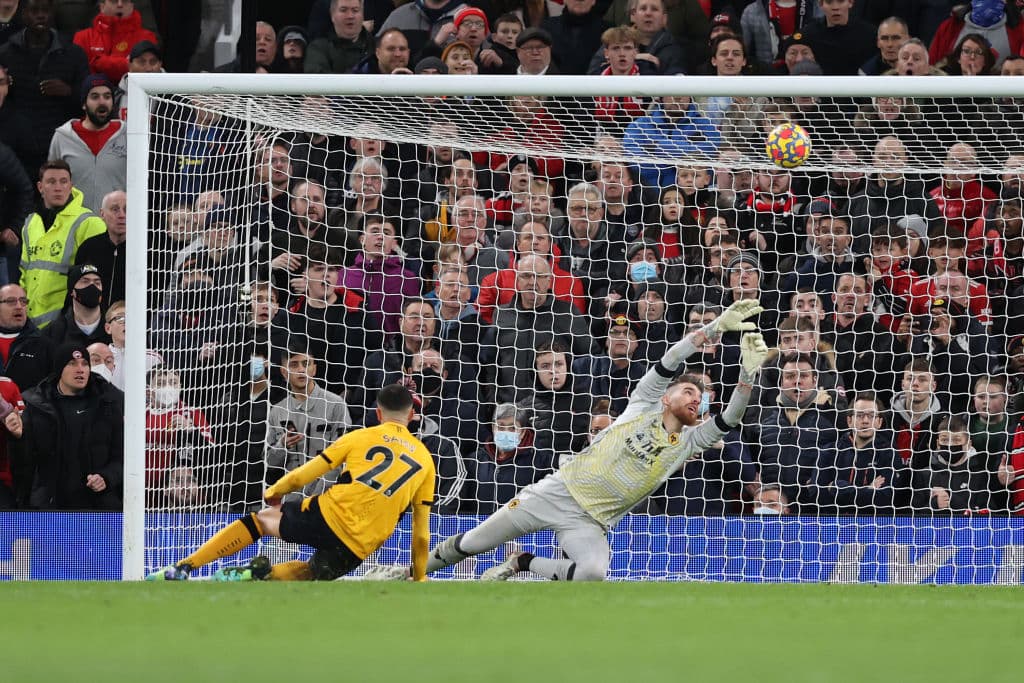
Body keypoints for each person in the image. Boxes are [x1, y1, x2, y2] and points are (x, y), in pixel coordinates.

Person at [368, 300, 767, 582]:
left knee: (592, 574)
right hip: (556, 493)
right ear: (667, 396)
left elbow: (731, 418)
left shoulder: (690, 441)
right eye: (686, 392)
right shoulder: (643, 403)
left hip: (591, 521)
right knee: (474, 541)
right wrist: (714, 328)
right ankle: (407, 572)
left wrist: (748, 374)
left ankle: (525, 563)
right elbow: (670, 359)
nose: (695, 399)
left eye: (699, 398)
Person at [148, 384, 435, 582]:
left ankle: (183, 567)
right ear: (411, 415)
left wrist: (275, 491)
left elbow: (304, 474)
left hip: (329, 515)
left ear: (378, 413)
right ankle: (254, 576)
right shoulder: (425, 459)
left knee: (261, 521)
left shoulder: (360, 437)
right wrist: (419, 576)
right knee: (312, 572)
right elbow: (421, 532)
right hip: (361, 545)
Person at [18, 341, 123, 509]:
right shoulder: (37, 406)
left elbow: (122, 457)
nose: (80, 369)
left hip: (98, 505)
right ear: (59, 369)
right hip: (50, 506)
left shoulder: (109, 404)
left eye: (85, 364)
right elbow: (25, 463)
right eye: (72, 364)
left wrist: (106, 477)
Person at [19, 159, 107, 329]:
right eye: (51, 182)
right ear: (40, 187)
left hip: (67, 324)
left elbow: (97, 278)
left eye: (63, 181)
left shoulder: (88, 222)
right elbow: (25, 271)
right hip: (31, 324)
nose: (58, 187)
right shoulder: (30, 223)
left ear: (71, 185)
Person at [265, 346, 352, 499]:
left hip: (329, 499)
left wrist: (316, 497)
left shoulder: (336, 404)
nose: (301, 369)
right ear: (284, 372)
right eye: (294, 365)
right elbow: (269, 462)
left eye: (306, 364)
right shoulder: (277, 411)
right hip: (291, 501)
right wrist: (282, 445)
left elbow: (343, 457)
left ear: (314, 369)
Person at [47, 73, 126, 213]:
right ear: (84, 103)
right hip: (75, 227)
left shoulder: (128, 135)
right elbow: (51, 184)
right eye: (95, 97)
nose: (102, 102)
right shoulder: (62, 137)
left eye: (107, 97)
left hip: (116, 229)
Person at [71, 0, 158, 83]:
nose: (120, 4)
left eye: (124, 1)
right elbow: (78, 75)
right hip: (94, 94)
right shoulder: (83, 37)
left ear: (132, 6)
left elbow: (145, 71)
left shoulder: (146, 37)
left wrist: (98, 63)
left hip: (134, 93)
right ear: (102, 6)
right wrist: (126, 64)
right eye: (114, 1)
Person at [75, 189, 126, 305]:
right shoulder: (88, 248)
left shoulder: (145, 252)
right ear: (102, 214)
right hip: (94, 319)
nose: (122, 215)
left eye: (127, 210)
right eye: (115, 209)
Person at [43, 263, 110, 346]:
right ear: (72, 291)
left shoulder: (116, 327)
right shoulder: (53, 332)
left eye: (97, 283)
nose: (92, 286)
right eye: (85, 281)